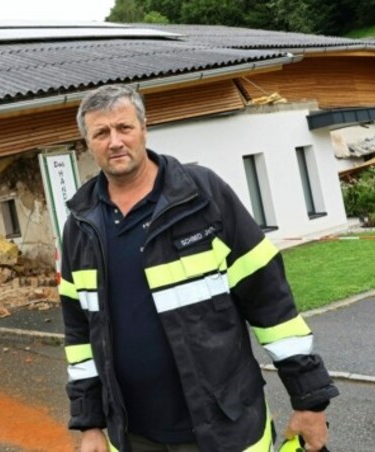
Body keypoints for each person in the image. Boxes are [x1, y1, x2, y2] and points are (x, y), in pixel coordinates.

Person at [58, 84, 339, 452]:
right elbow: (80, 336)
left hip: (223, 428)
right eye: (101, 133)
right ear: (88, 143)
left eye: (124, 127)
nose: (115, 141)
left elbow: (270, 301)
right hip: (132, 436)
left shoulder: (201, 196)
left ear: (144, 128)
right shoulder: (81, 226)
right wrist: (91, 423)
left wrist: (309, 399)